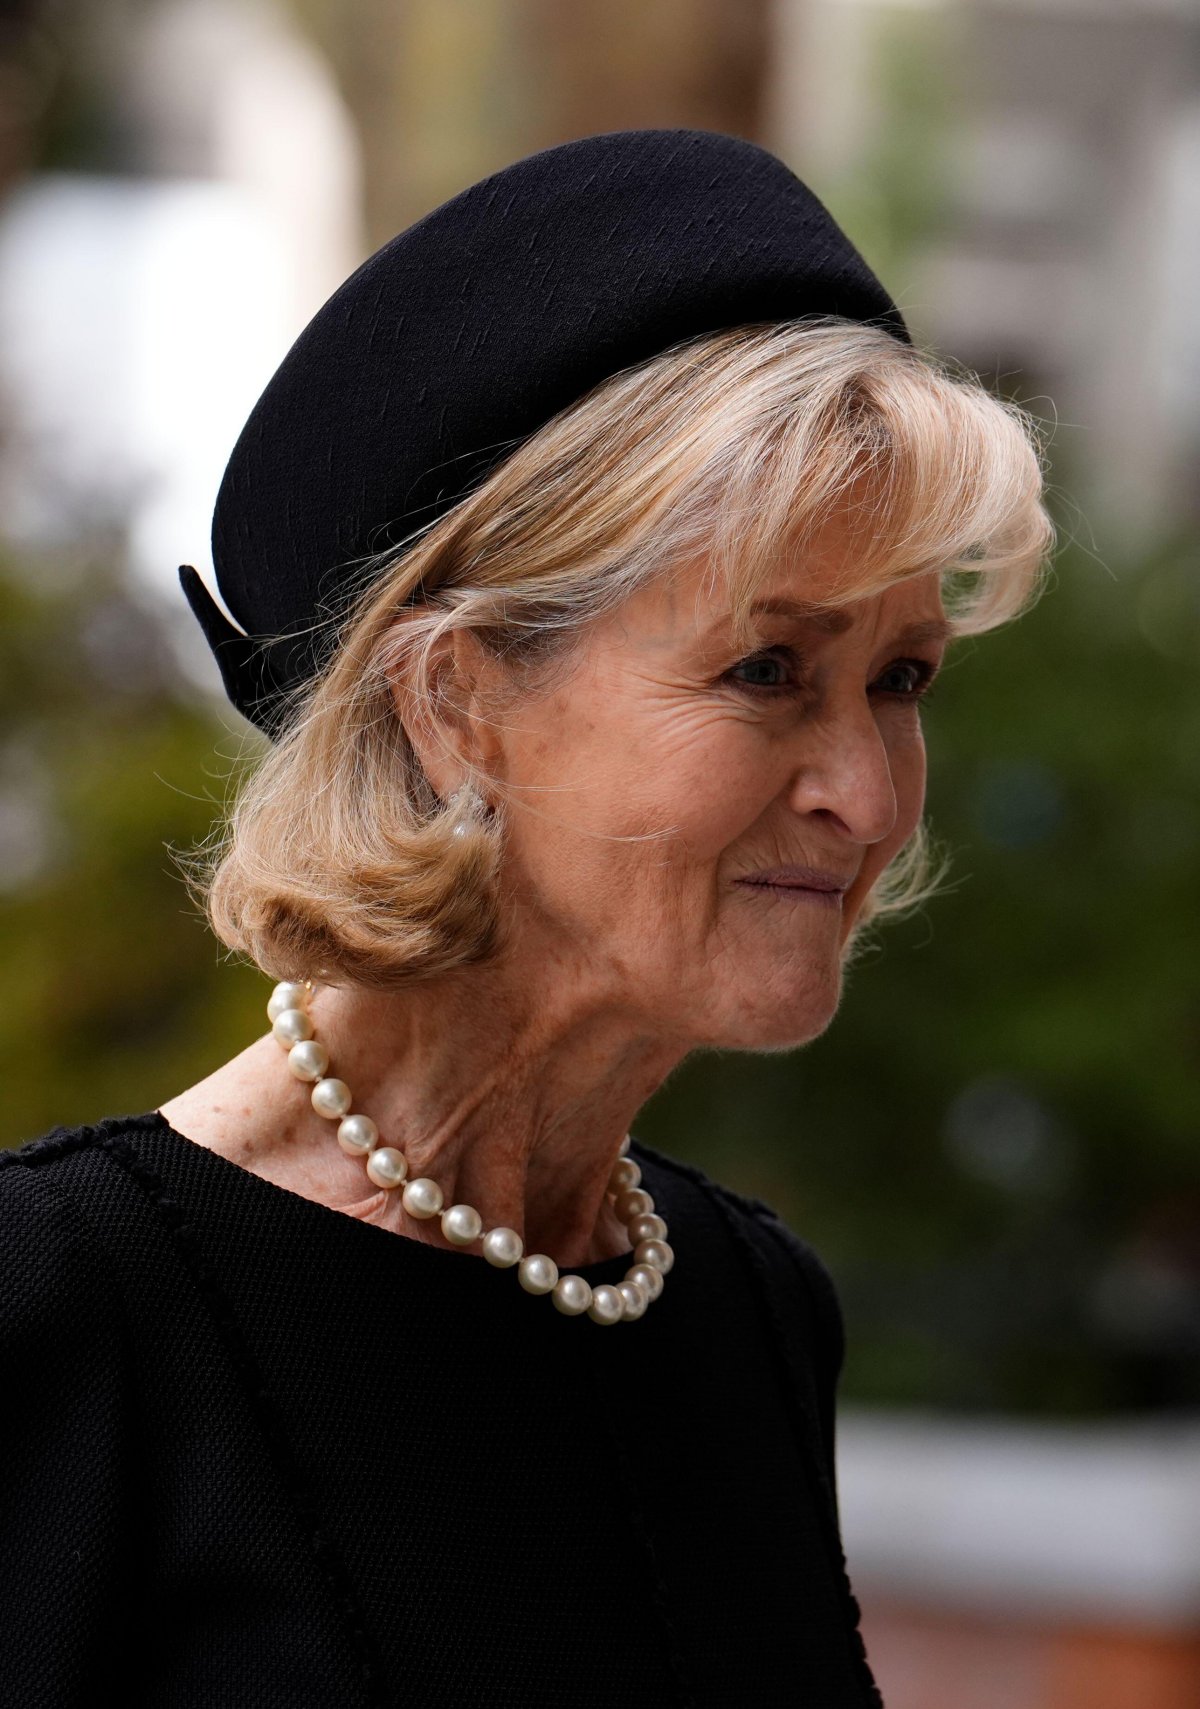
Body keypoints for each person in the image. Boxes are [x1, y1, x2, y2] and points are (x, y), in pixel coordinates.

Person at [1, 129, 1052, 1706]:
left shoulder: (749, 1305)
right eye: (768, 668)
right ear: (458, 703)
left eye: (899, 679)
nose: (867, 790)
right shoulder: (68, 1311)